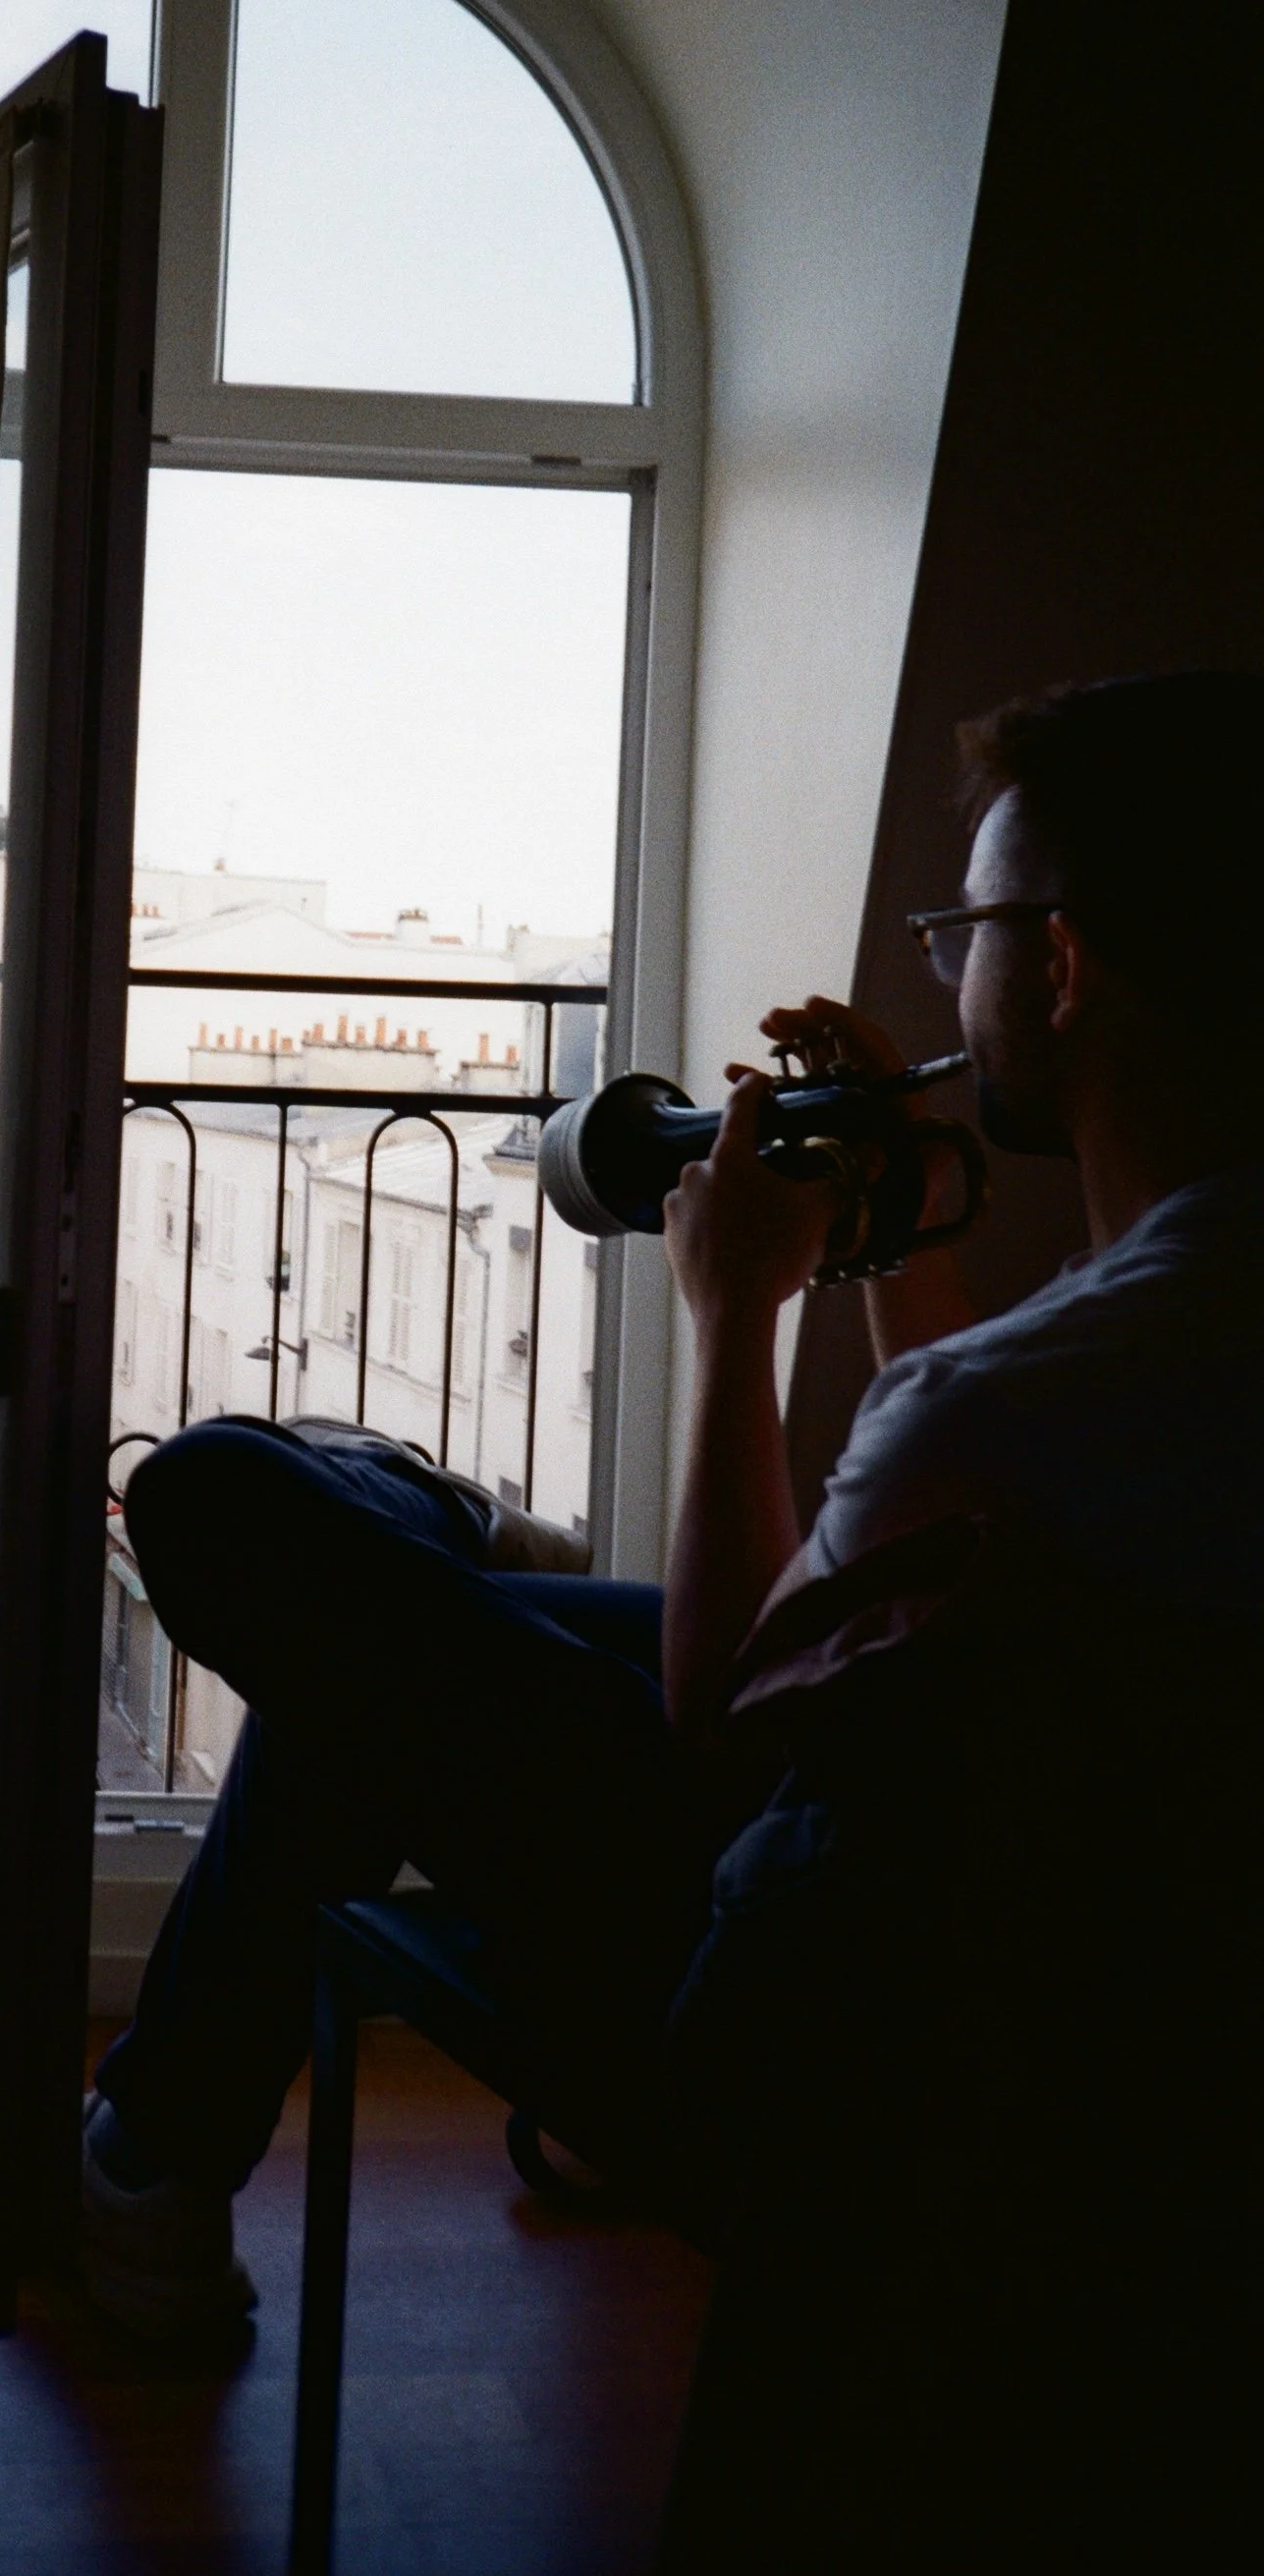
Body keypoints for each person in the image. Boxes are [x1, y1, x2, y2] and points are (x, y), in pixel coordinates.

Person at [82, 671, 1264, 2338]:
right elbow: (953, 1539)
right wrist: (897, 1226)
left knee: (216, 1501)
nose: (946, 967)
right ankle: (149, 2165)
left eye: (964, 929)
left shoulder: (992, 1408)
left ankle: (151, 2153)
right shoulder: (1165, 1327)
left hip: (801, 2007)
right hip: (1080, 2017)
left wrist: (733, 1314)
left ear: (1059, 963)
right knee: (385, 1645)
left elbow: (734, 1715)